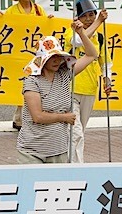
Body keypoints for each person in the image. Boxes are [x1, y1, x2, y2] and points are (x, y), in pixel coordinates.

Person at [16, 21, 98, 164]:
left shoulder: (64, 74)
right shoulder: (32, 81)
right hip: (32, 151)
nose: (56, 60)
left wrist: (81, 33)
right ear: (42, 59)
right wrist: (63, 117)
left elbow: (91, 55)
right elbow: (37, 116)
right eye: (51, 57)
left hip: (59, 150)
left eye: (58, 56)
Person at [65, 0, 110, 163]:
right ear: (77, 18)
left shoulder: (100, 37)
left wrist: (108, 80)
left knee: (79, 131)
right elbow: (77, 42)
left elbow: (105, 60)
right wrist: (98, 22)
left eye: (92, 14)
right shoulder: (71, 31)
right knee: (75, 132)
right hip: (71, 88)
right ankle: (76, 166)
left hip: (90, 89)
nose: (89, 18)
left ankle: (68, 160)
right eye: (85, 16)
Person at [4, 0, 48, 130]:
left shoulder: (39, 9)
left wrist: (50, 21)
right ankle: (19, 118)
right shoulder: (12, 11)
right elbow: (4, 27)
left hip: (33, 53)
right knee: (20, 85)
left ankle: (23, 118)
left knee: (33, 84)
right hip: (18, 53)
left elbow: (44, 28)